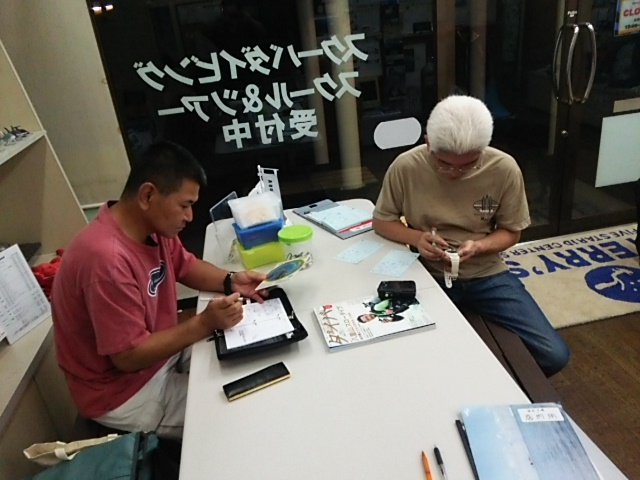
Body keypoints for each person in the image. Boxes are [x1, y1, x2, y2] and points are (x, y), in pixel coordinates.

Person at [51, 140, 267, 439]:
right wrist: (205, 323)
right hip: (123, 390)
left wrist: (231, 280)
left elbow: (185, 265)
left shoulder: (152, 226)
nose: (189, 217)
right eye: (184, 205)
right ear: (148, 195)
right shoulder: (106, 260)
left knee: (255, 364)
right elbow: (128, 356)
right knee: (239, 419)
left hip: (159, 352)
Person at [372, 94, 570, 377]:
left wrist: (479, 246)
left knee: (554, 355)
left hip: (486, 273)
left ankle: (497, 384)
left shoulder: (503, 168)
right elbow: (382, 221)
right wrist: (417, 239)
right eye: (444, 163)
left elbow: (512, 232)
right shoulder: (406, 166)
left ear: (483, 149)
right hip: (426, 272)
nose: (455, 172)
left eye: (468, 164)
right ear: (428, 143)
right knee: (408, 356)